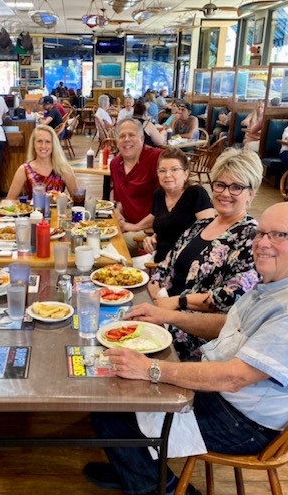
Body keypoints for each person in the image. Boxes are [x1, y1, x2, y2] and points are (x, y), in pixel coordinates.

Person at [85, 201, 288, 495]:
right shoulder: (278, 283)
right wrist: (165, 315)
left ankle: (171, 494)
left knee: (112, 406)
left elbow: (235, 378)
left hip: (244, 423)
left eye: (279, 235)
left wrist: (148, 369)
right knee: (115, 389)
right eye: (261, 234)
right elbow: (230, 325)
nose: (262, 243)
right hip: (230, 395)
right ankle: (130, 466)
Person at [148, 147, 262, 360]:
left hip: (197, 336)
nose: (225, 193)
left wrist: (175, 304)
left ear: (251, 194)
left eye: (236, 187)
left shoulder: (252, 235)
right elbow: (165, 266)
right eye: (220, 185)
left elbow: (231, 296)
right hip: (164, 314)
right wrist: (156, 292)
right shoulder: (201, 225)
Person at [142, 148, 214, 264]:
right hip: (159, 263)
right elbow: (166, 227)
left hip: (186, 265)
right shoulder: (159, 194)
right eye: (162, 171)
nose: (167, 175)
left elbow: (209, 234)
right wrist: (152, 238)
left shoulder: (196, 194)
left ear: (186, 174)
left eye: (174, 169)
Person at [111, 118, 162, 255]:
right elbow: (120, 201)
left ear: (142, 138)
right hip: (127, 225)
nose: (126, 139)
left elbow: (164, 207)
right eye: (122, 136)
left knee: (113, 247)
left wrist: (134, 227)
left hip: (151, 231)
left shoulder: (155, 158)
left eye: (131, 135)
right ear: (117, 141)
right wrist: (118, 214)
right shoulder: (115, 164)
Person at [7, 124, 78, 200]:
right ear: (33, 144)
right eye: (39, 141)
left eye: (48, 142)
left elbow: (78, 201)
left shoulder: (64, 169)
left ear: (53, 145)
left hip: (58, 211)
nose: (43, 146)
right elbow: (9, 201)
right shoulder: (24, 170)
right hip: (33, 211)